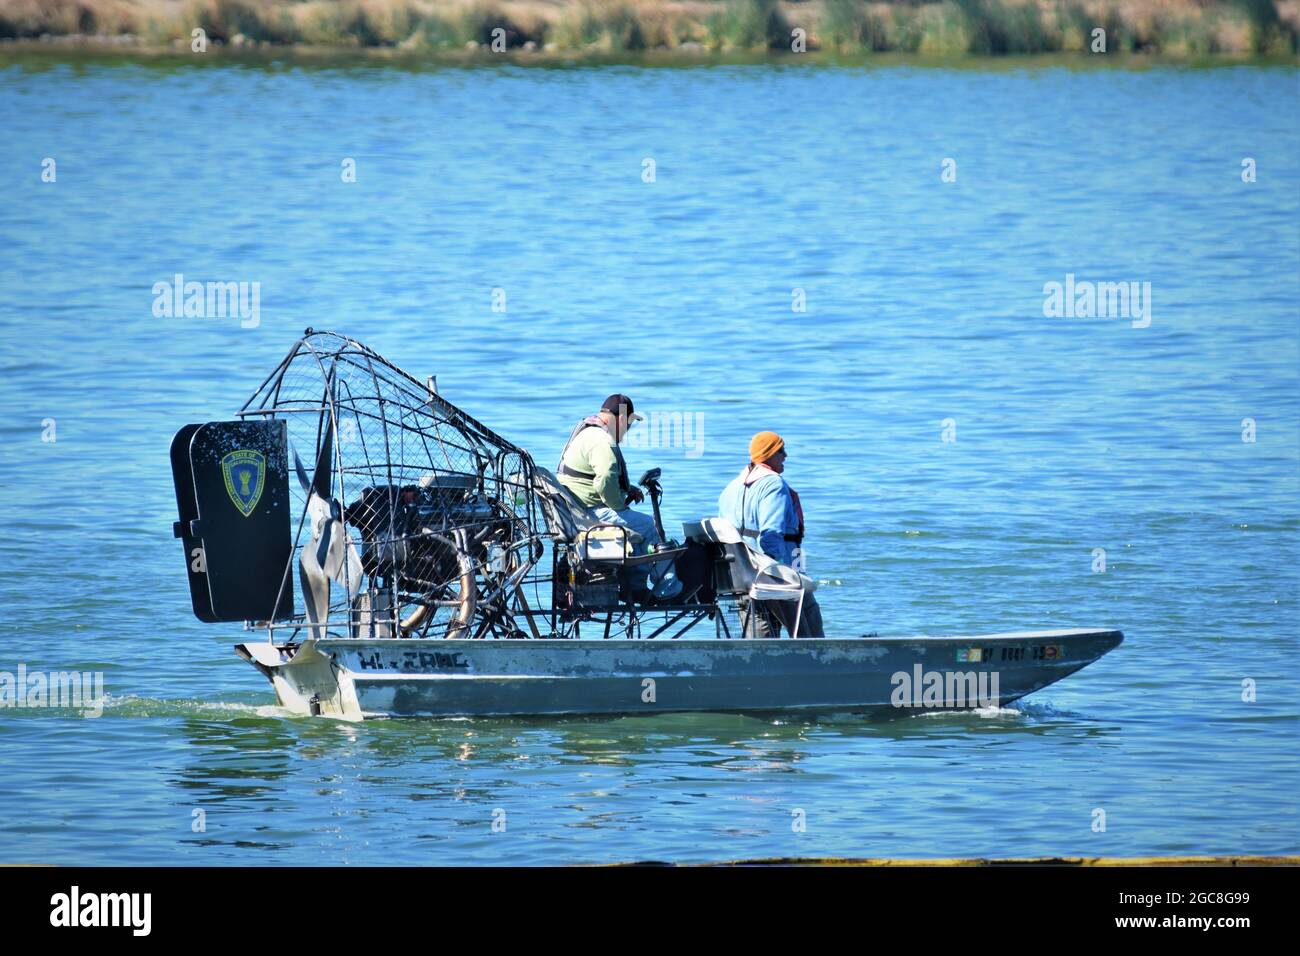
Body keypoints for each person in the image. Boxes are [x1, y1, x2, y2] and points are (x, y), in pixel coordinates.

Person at [558, 394, 682, 601]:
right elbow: (605, 480)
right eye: (630, 424)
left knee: (639, 526)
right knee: (649, 527)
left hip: (577, 509)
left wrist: (626, 489)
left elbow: (591, 478)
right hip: (589, 513)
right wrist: (619, 506)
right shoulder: (603, 441)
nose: (628, 430)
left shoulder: (586, 433)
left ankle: (635, 586)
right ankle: (666, 590)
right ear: (622, 419)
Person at [717, 431, 824, 637]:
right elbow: (771, 534)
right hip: (772, 571)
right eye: (781, 450)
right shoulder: (774, 484)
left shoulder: (730, 488)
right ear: (769, 454)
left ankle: (760, 667)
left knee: (761, 638)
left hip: (740, 573)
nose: (786, 455)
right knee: (808, 628)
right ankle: (817, 664)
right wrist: (780, 576)